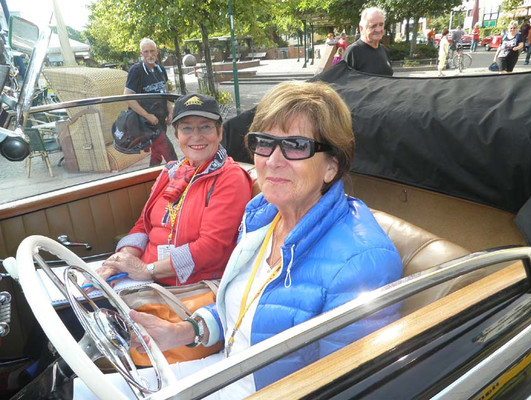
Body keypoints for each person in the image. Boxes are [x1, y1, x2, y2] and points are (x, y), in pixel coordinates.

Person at [74, 81, 403, 398]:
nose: (272, 161)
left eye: (296, 145)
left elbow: (346, 386)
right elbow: (244, 307)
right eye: (265, 142)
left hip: (262, 390)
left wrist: (148, 271)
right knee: (80, 390)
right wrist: (183, 331)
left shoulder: (363, 264)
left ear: (331, 166)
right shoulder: (263, 216)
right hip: (227, 368)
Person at [95, 93, 253, 287]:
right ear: (177, 135)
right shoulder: (171, 171)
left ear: (219, 132)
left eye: (205, 126)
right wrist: (120, 261)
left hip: (189, 286)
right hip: (142, 278)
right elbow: (143, 226)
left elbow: (211, 247)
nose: (196, 136)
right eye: (186, 128)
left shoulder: (230, 177)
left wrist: (147, 270)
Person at [124, 38, 178, 166]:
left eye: (152, 51)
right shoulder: (136, 71)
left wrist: (170, 111)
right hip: (147, 123)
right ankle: (179, 173)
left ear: (157, 52)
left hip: (160, 119)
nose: (149, 55)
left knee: (156, 153)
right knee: (169, 151)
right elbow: (127, 97)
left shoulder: (160, 69)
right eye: (146, 52)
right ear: (141, 54)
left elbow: (164, 92)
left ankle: (153, 173)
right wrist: (147, 115)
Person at [343, 7, 393, 76]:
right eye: (373, 26)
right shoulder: (353, 52)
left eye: (381, 25)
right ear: (361, 28)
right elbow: (343, 80)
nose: (378, 29)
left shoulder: (384, 50)